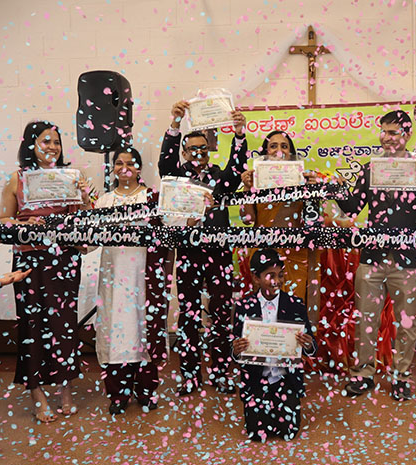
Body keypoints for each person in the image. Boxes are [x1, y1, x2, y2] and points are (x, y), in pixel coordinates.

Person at [337, 110, 416, 401]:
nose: (386, 137)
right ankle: (363, 374)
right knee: (365, 320)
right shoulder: (370, 169)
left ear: (407, 135)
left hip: (409, 258)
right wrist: (334, 188)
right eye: (383, 131)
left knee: (406, 324)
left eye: (393, 132)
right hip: (372, 256)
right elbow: (353, 208)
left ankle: (401, 376)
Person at [0, 120, 92, 423]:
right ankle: (36, 393)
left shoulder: (71, 177)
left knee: (64, 326)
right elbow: (4, 220)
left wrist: (85, 198)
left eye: (56, 142)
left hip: (64, 261)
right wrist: (25, 224)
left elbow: (85, 222)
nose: (52, 147)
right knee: (33, 326)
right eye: (45, 141)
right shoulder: (17, 179)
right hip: (29, 262)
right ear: (31, 144)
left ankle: (65, 390)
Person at [158, 100, 247, 396]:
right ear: (184, 152)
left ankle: (221, 373)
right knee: (189, 315)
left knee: (221, 314)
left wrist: (238, 134)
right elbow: (164, 163)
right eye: (192, 149)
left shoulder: (220, 177)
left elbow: (237, 169)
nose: (198, 153)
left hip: (219, 254)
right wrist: (175, 123)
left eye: (203, 149)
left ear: (209, 151)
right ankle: (190, 376)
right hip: (188, 254)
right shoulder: (175, 177)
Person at [93, 147, 172, 415]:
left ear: (139, 168)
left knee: (144, 331)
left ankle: (146, 390)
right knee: (116, 332)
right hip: (114, 279)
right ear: (113, 168)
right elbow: (89, 242)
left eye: (130, 163)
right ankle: (118, 393)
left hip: (144, 277)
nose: (124, 167)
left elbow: (170, 232)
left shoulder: (152, 198)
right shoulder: (104, 202)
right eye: (119, 163)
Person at [232, 248, 316, 442]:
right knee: (256, 434)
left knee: (288, 432)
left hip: (285, 380)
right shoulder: (244, 306)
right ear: (256, 278)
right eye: (270, 275)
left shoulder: (295, 304)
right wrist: (236, 350)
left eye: (280, 275)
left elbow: (312, 347)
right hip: (256, 380)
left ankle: (285, 403)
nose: (276, 281)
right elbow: (235, 348)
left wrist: (308, 345)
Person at [239, 130, 317, 301]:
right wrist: (247, 189)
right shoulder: (256, 181)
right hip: (264, 252)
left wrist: (313, 192)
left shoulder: (303, 180)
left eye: (284, 146)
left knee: (294, 305)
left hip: (294, 253)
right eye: (273, 146)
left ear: (291, 152)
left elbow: (313, 221)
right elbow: (247, 220)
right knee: (265, 306)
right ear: (265, 152)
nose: (279, 151)